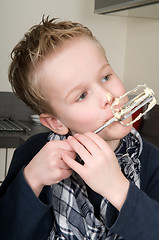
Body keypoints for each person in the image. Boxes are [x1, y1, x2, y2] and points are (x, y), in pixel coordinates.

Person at [0, 16, 159, 240]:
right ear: (57, 123)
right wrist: (32, 180)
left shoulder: (151, 162)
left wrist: (118, 189)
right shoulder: (33, 156)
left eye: (105, 77)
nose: (108, 96)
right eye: (82, 95)